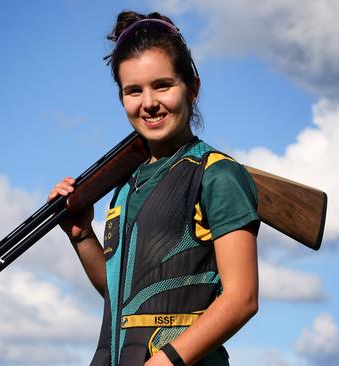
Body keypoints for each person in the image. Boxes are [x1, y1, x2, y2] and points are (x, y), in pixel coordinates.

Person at [48, 10, 259, 366]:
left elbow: (242, 298)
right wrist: (82, 235)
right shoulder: (127, 186)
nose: (148, 103)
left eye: (162, 85)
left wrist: (165, 362)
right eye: (133, 91)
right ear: (121, 98)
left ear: (192, 88)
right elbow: (125, 298)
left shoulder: (217, 175)